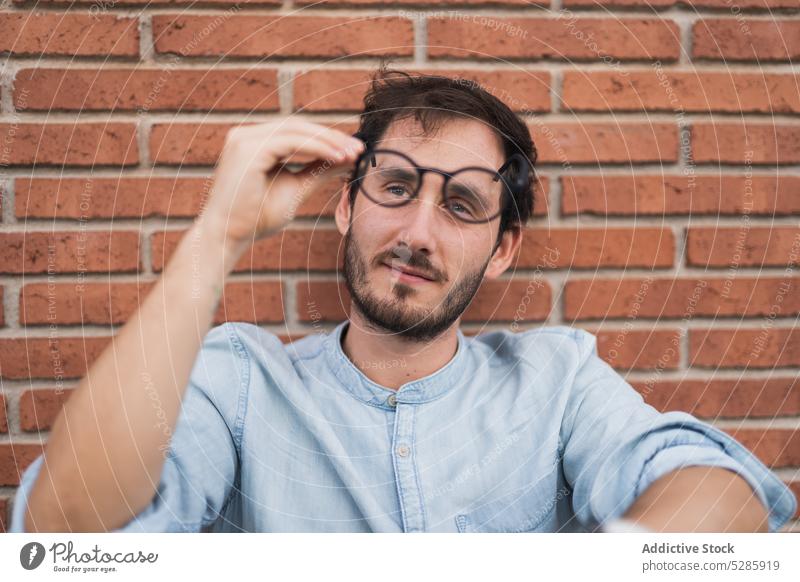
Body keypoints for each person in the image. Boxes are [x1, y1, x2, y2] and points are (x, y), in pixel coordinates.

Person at [10, 67, 796, 533]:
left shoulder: (557, 381)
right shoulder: (241, 382)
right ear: (347, 207)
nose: (418, 231)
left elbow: (713, 488)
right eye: (394, 188)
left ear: (503, 249)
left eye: (460, 205)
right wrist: (219, 231)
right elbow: (67, 531)